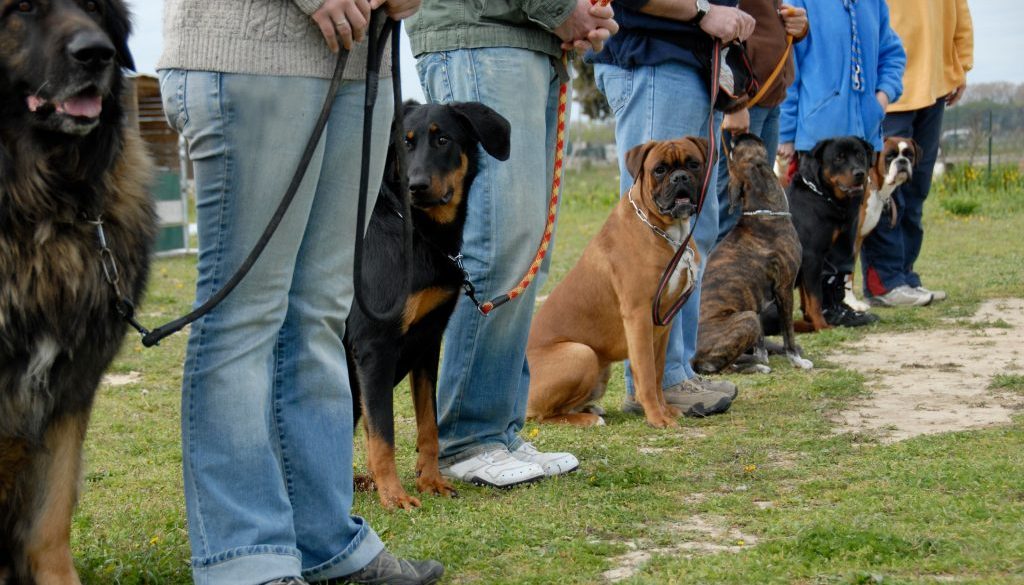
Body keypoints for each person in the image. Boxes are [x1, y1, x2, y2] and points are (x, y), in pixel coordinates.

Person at [159, 1, 443, 583]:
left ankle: (325, 542)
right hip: (250, 50)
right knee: (245, 316)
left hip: (363, 64)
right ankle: (244, 557)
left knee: (319, 316)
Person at [404, 1, 617, 488]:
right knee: (496, 244)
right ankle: (465, 439)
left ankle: (497, 430)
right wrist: (560, 8)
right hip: (482, 29)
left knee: (524, 252)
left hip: (531, 36)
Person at [588, 0, 755, 417]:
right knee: (649, 233)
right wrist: (703, 12)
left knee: (694, 230)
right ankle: (655, 385)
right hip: (654, 56)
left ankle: (676, 371)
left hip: (694, 60)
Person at [777, 0, 906, 328]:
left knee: (848, 230)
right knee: (814, 234)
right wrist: (788, 134)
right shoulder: (802, 3)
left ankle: (838, 302)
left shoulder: (873, 3)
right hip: (817, 142)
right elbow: (790, 67)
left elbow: (893, 53)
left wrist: (883, 97)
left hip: (863, 136)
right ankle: (810, 308)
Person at [861, 0, 974, 307]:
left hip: (936, 82)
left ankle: (905, 274)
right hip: (891, 90)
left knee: (917, 187)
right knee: (887, 195)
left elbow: (959, 10)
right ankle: (884, 281)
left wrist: (961, 63)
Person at [716, 1, 808, 242]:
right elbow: (719, 21)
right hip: (745, 97)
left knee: (757, 203)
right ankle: (718, 279)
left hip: (770, 96)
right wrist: (734, 102)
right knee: (732, 207)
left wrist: (796, 26)